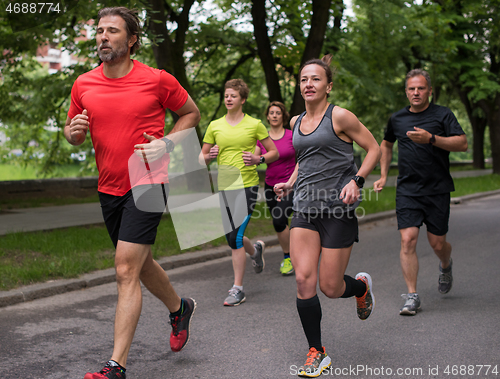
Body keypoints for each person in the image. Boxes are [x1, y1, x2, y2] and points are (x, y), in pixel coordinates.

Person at [64, 7, 201, 379]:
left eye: (111, 30)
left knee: (125, 268)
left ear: (132, 39)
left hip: (149, 180)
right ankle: (179, 308)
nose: (102, 37)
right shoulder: (84, 84)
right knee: (139, 264)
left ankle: (115, 367)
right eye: (99, 31)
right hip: (108, 185)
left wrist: (168, 144)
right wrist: (73, 132)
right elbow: (72, 130)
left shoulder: (157, 79)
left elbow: (191, 113)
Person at [274, 55, 381, 377]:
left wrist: (357, 180)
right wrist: (290, 183)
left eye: (316, 79)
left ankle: (360, 288)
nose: (309, 84)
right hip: (304, 208)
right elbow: (304, 160)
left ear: (328, 86)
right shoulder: (294, 123)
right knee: (304, 279)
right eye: (304, 79)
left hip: (337, 210)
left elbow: (373, 148)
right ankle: (317, 351)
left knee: (331, 287)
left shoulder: (341, 117)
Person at [374, 69, 467, 316]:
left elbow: (462, 143)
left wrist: (431, 139)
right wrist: (383, 175)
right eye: (411, 89)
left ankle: (445, 263)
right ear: (406, 92)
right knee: (407, 240)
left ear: (429, 90)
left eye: (421, 88)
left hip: (437, 189)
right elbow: (386, 144)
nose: (416, 92)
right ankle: (412, 296)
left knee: (437, 243)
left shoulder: (443, 114)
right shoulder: (397, 119)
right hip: (407, 190)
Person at [200, 79, 279, 306]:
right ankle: (255, 250)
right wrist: (209, 156)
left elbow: (273, 152)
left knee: (235, 237)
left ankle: (237, 289)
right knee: (230, 238)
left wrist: (258, 159)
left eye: (233, 96)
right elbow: (201, 157)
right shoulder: (214, 126)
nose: (228, 99)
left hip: (247, 186)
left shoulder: (254, 125)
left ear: (242, 99)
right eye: (226, 95)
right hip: (224, 187)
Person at [255, 101, 296, 275]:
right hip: (271, 186)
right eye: (271, 112)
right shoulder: (263, 139)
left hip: (291, 185)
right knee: (281, 224)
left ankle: (289, 257)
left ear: (283, 116)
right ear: (267, 116)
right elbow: (254, 160)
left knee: (279, 219)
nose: (274, 115)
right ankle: (289, 256)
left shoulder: (292, 135)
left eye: (277, 113)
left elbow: (304, 157)